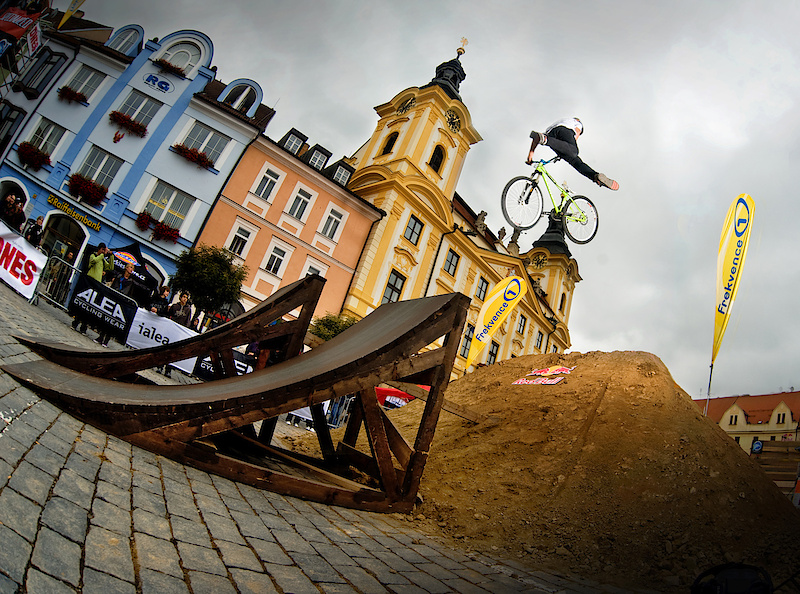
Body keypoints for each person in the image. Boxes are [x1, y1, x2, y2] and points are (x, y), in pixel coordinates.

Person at [527, 118, 619, 191]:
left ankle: (595, 177)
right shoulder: (576, 123)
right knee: (574, 153)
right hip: (563, 132)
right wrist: (571, 147)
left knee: (575, 162)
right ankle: (594, 176)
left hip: (551, 137)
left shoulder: (555, 123)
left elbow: (536, 139)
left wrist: (530, 157)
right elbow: (577, 132)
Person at [72, 244, 114, 334]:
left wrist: (111, 256)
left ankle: (84, 327)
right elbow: (93, 261)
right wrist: (103, 255)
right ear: (99, 249)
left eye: (104, 250)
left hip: (96, 285)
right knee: (83, 304)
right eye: (102, 250)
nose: (103, 252)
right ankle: (75, 323)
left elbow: (110, 267)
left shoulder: (102, 259)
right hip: (89, 282)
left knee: (89, 308)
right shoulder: (93, 255)